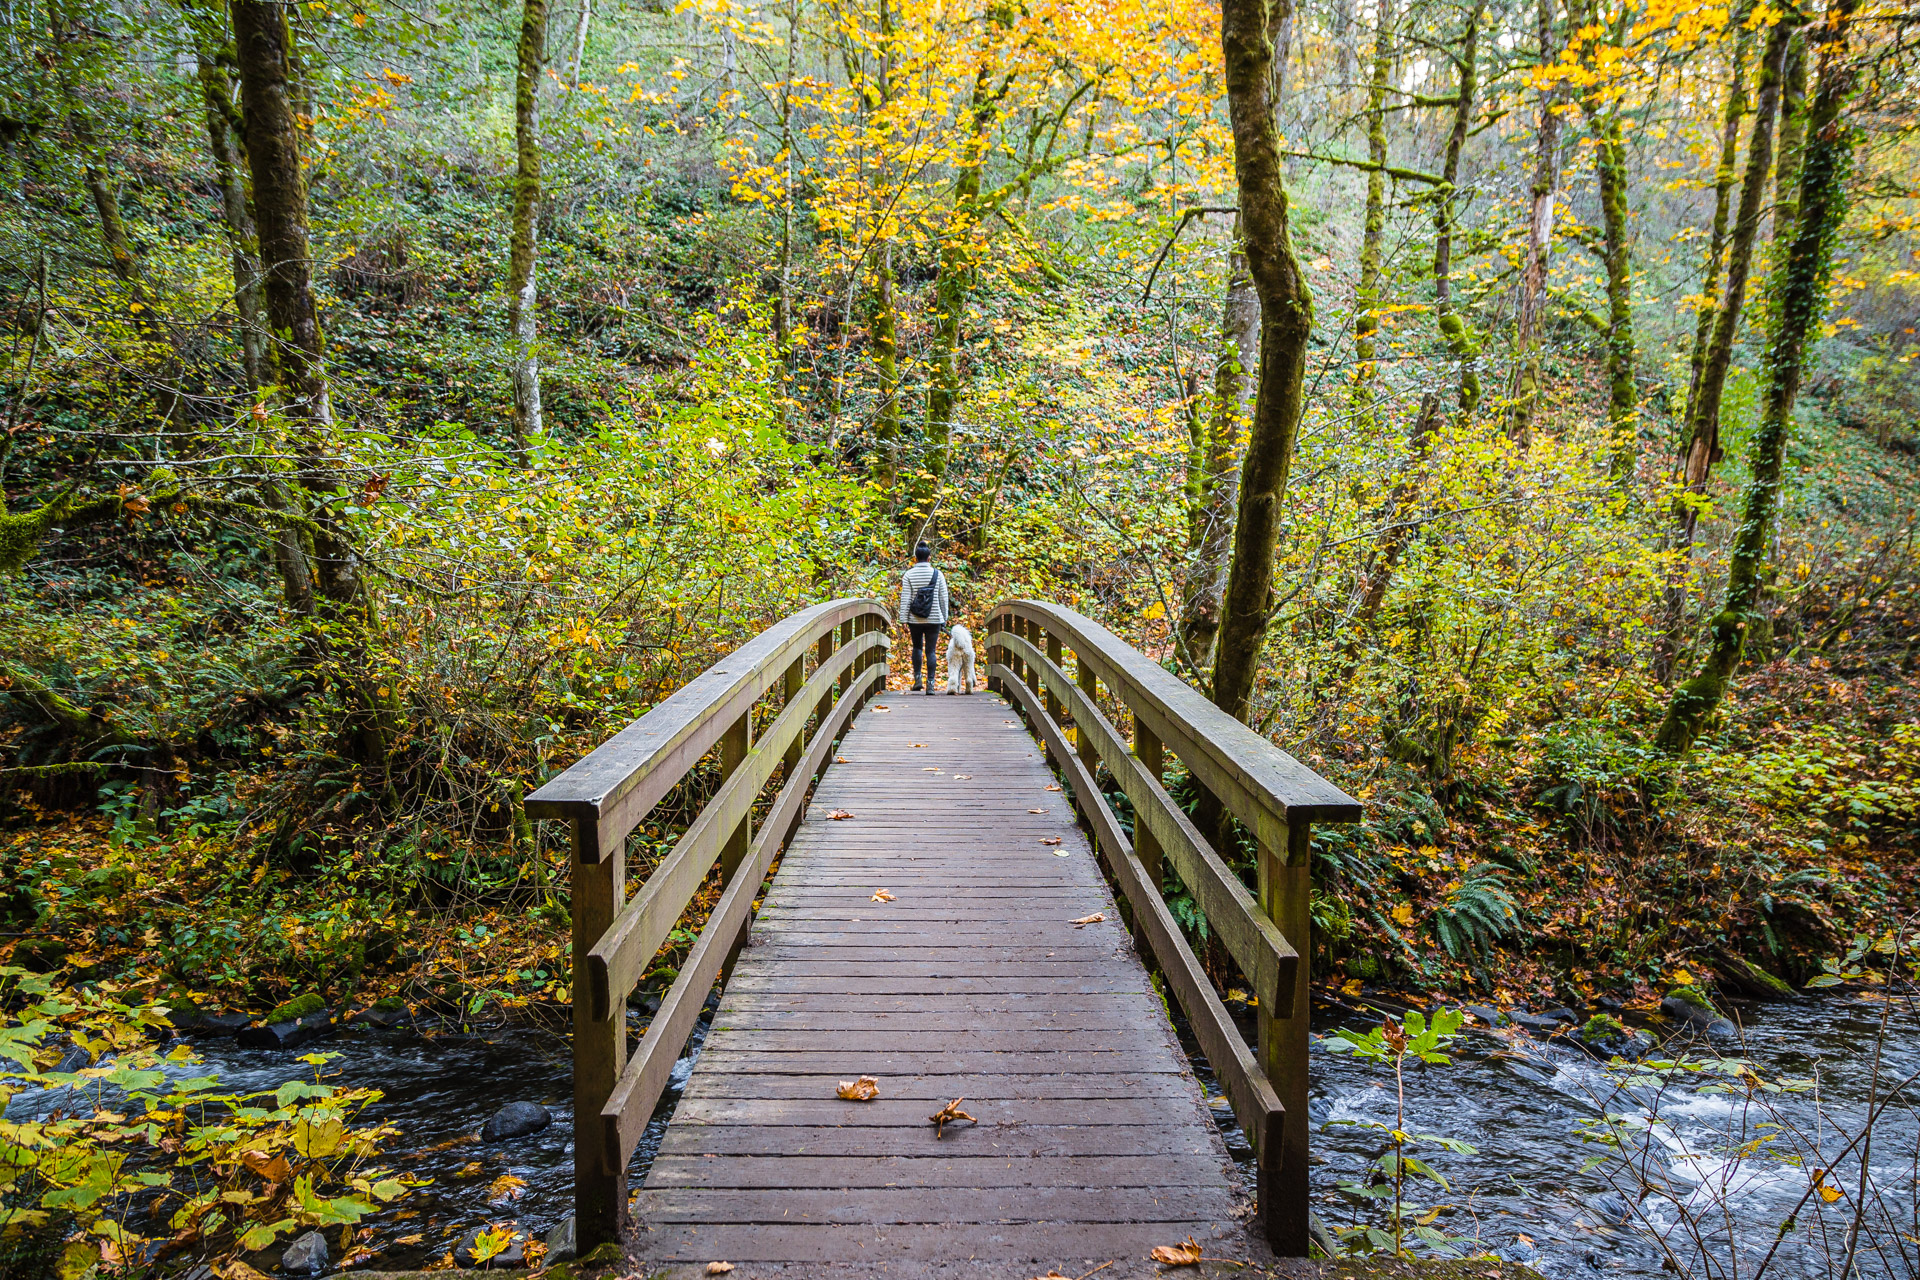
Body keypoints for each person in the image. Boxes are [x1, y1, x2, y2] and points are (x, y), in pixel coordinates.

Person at [896, 541, 951, 696]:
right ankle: (931, 685)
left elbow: (905, 599)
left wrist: (903, 619)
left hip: (915, 619)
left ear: (915, 558)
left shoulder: (908, 575)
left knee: (917, 647)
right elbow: (943, 598)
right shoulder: (938, 574)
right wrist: (943, 618)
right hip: (934, 618)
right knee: (931, 651)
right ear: (929, 558)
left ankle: (918, 679)